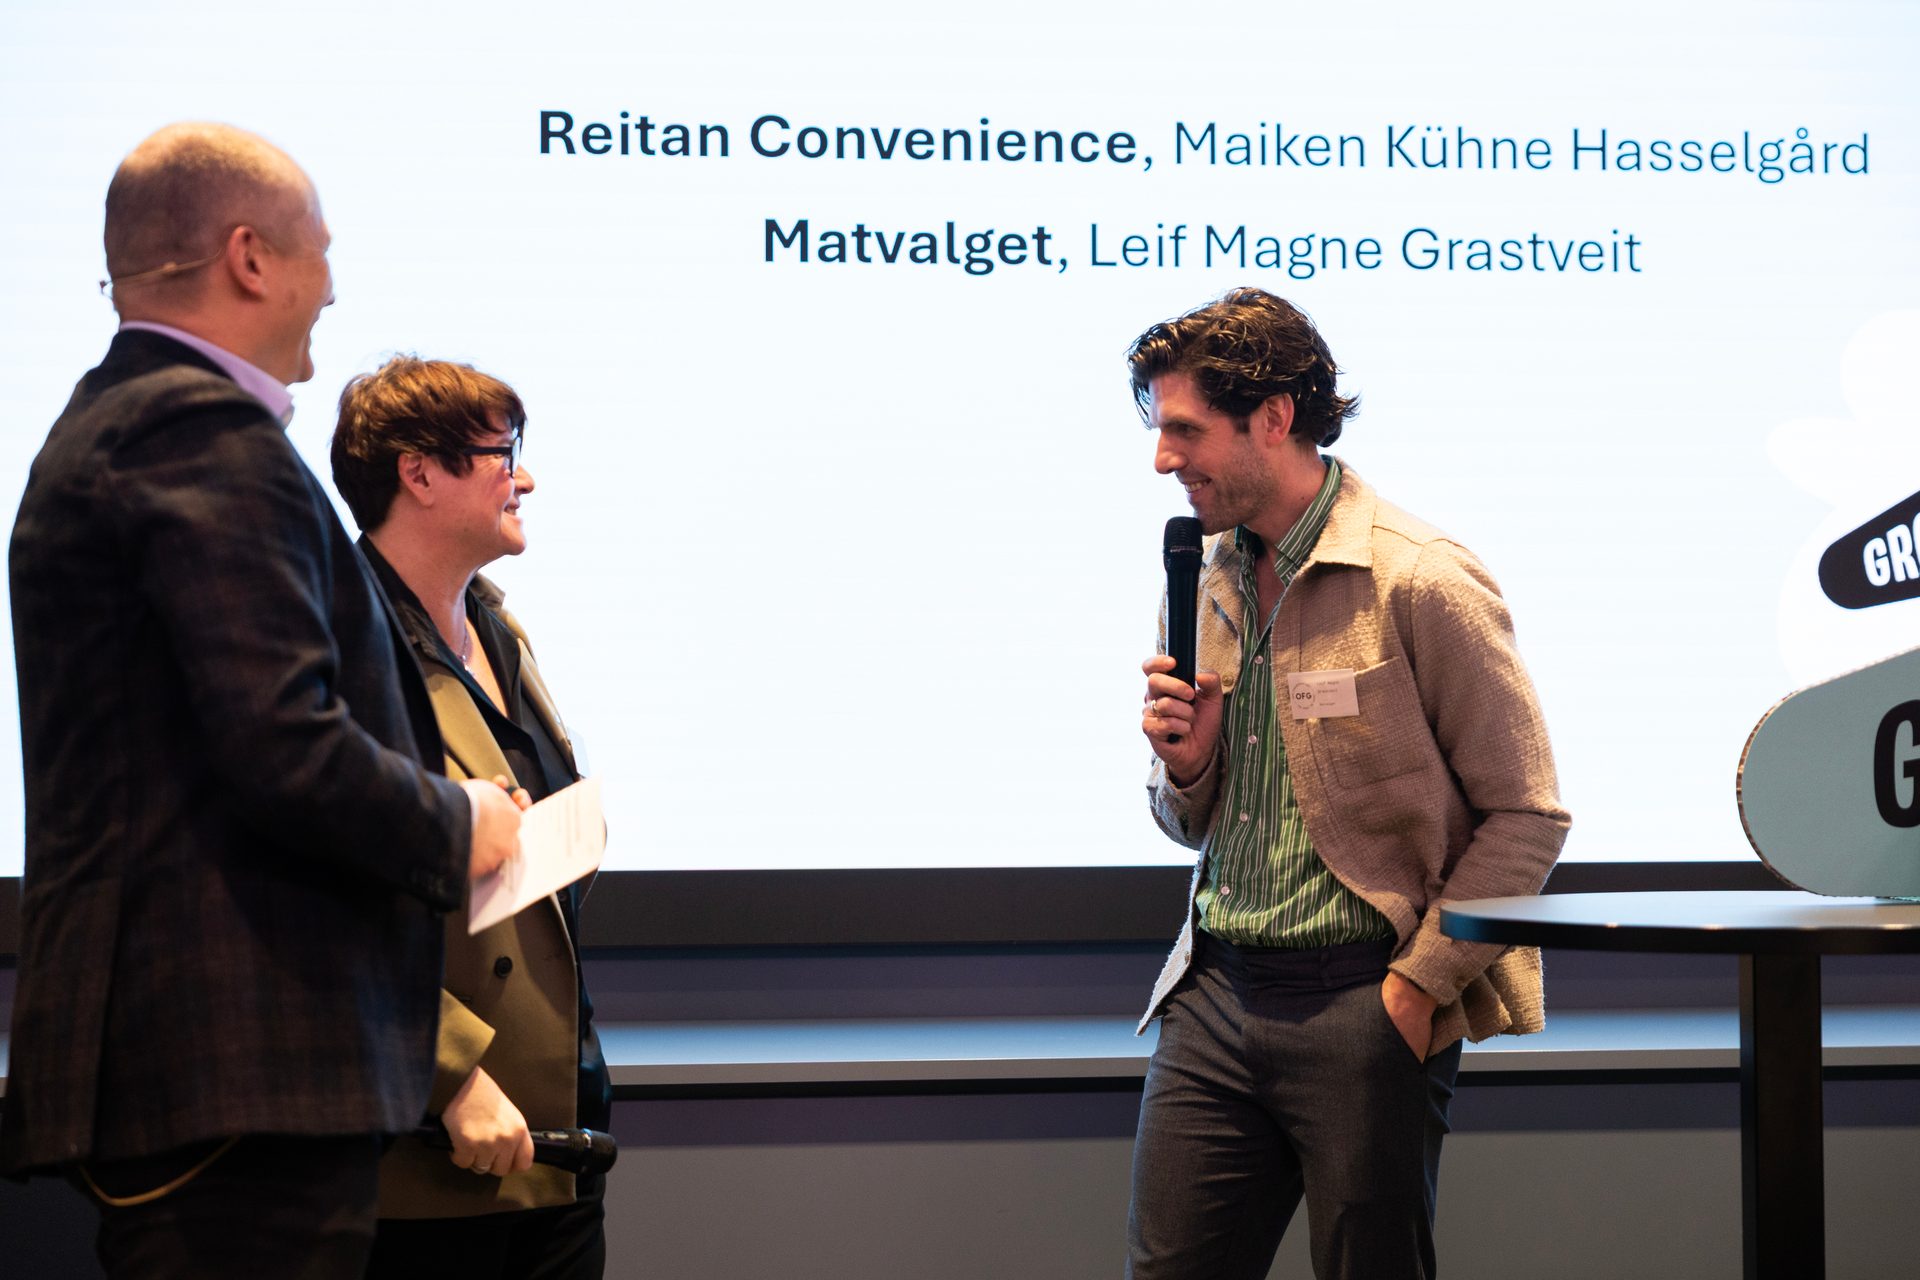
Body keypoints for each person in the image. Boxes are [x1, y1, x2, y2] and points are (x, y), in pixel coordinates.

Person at [0, 123, 526, 1280]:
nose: (331, 288)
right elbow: (284, 746)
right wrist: (463, 820)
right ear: (250, 257)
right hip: (242, 1065)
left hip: (206, 1075)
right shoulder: (197, 433)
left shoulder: (119, 422)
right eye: (319, 253)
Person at [1125, 288, 1570, 1280]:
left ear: (1274, 416)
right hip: (1216, 992)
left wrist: (1416, 990)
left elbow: (1527, 815)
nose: (1164, 459)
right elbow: (1189, 816)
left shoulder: (1419, 577)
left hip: (1365, 999)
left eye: (1186, 430)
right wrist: (1187, 767)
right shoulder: (1203, 574)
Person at [331, 356, 610, 1279]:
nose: (523, 477)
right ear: (419, 473)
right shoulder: (341, 648)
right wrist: (447, 1076)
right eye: (502, 453)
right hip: (434, 1146)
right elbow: (323, 903)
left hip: (553, 1130)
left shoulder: (497, 626)